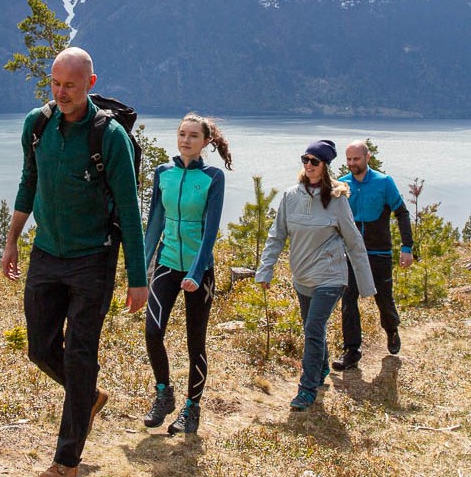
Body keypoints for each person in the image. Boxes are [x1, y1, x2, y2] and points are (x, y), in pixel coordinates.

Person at [0, 47, 147, 477]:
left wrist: (137, 278)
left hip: (93, 259)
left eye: (71, 85)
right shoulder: (38, 124)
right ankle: (88, 397)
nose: (61, 93)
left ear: (91, 84)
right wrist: (12, 240)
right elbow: (30, 181)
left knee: (81, 354)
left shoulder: (110, 137)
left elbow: (128, 206)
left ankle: (67, 461)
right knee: (40, 348)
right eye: (55, 83)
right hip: (46, 253)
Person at [256, 139, 375, 411]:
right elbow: (277, 237)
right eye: (305, 160)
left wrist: (366, 286)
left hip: (331, 276)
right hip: (302, 276)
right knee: (313, 327)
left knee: (312, 328)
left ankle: (307, 390)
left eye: (314, 161)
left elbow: (354, 242)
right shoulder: (290, 196)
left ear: (325, 166)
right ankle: (321, 368)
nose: (308, 165)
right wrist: (266, 269)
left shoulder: (337, 199)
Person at [139, 114, 233, 436]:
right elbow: (154, 223)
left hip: (199, 270)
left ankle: (192, 409)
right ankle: (164, 394)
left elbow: (210, 231)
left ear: (206, 141)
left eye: (194, 135)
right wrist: (139, 270)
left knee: (196, 343)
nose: (186, 140)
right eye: (182, 134)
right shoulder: (162, 173)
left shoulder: (212, 178)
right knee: (153, 332)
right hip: (166, 262)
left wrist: (196, 272)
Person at [333, 140, 416, 370]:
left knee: (384, 299)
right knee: (348, 301)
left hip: (378, 252)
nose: (352, 164)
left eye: (356, 159)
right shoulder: (342, 184)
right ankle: (352, 350)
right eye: (348, 159)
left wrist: (407, 247)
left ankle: (391, 330)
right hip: (350, 253)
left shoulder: (384, 182)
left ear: (367, 157)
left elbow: (401, 213)